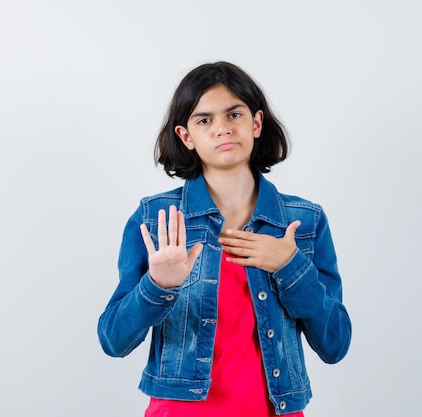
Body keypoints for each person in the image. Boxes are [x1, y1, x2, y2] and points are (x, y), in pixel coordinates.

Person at [97, 61, 351, 416]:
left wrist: (290, 268)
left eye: (234, 114)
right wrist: (157, 285)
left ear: (256, 123)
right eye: (204, 120)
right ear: (186, 136)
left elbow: (336, 345)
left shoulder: (304, 221)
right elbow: (113, 340)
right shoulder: (157, 219)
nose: (222, 129)